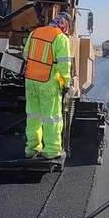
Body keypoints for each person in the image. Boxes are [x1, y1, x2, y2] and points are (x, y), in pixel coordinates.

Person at [22, 11, 72, 159]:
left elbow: (26, 55)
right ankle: (52, 150)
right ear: (64, 25)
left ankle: (32, 149)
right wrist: (65, 84)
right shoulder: (61, 38)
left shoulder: (35, 32)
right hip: (48, 84)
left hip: (30, 82)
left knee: (33, 116)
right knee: (52, 117)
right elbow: (64, 66)